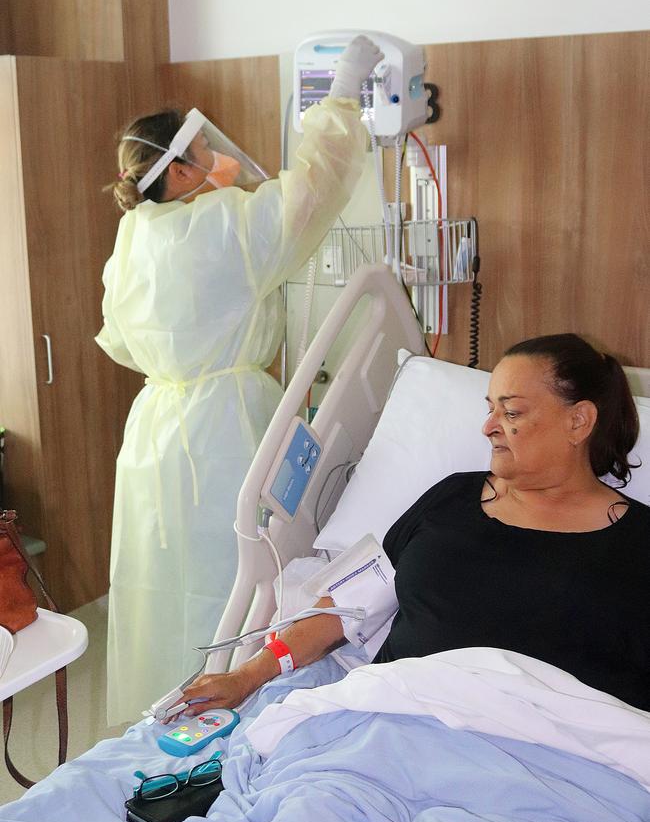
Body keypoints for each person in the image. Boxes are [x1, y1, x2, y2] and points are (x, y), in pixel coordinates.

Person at [96, 35, 384, 723]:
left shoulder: (134, 236)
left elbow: (116, 338)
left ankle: (162, 705)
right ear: (184, 168)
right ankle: (237, 703)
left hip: (155, 428)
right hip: (225, 419)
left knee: (161, 580)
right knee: (233, 569)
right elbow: (314, 188)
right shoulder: (223, 224)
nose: (219, 162)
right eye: (205, 155)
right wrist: (342, 92)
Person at [176, 333, 650, 717]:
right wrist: (246, 676)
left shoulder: (638, 545)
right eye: (490, 408)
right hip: (391, 721)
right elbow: (349, 603)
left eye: (511, 411)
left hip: (548, 765)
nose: (488, 426)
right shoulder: (452, 499)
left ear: (579, 421)